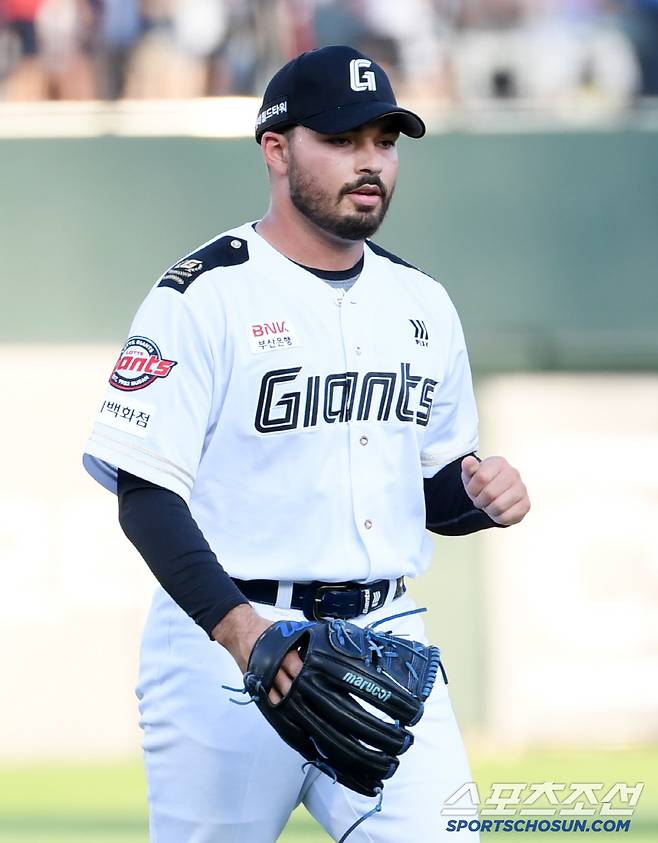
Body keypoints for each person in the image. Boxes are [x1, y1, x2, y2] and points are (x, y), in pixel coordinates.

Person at [83, 44, 530, 843]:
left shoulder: (421, 302)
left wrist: (476, 496)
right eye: (345, 139)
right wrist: (243, 634)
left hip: (383, 641)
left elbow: (421, 487)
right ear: (278, 148)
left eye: (386, 143)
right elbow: (144, 493)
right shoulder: (203, 295)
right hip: (225, 649)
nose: (372, 163)